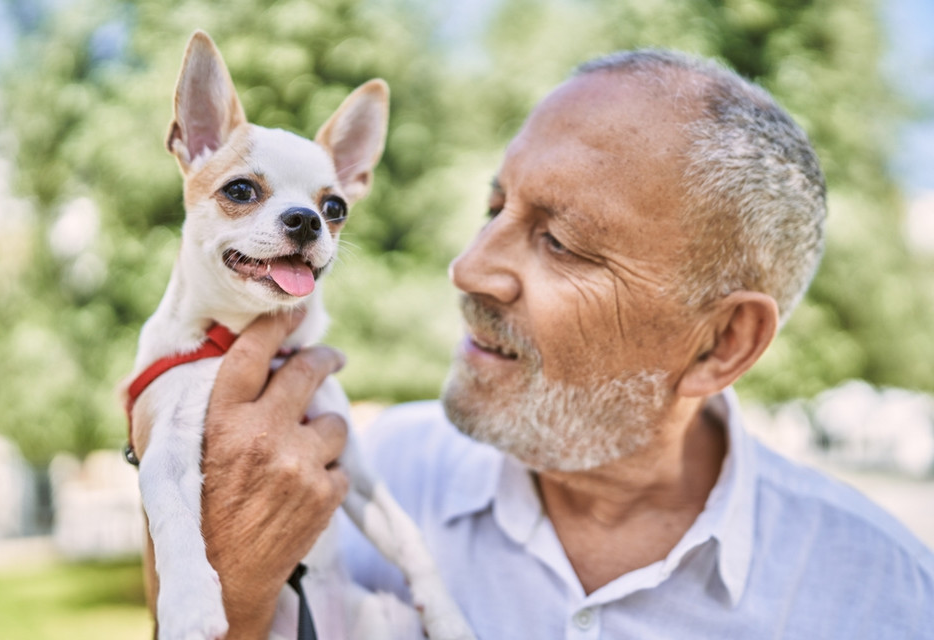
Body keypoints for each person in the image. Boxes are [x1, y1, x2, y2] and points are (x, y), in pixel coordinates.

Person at [189, 50, 934, 638]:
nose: (470, 268)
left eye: (563, 242)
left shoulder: (884, 597)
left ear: (723, 343)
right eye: (495, 207)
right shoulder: (362, 470)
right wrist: (234, 596)